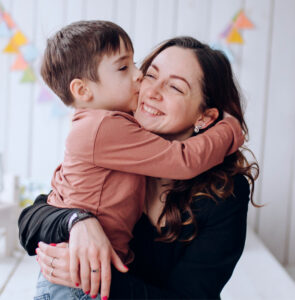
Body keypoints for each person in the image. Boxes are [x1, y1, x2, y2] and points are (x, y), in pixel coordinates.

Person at [19, 36, 258, 300]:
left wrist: (95, 277)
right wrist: (78, 222)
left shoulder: (226, 192)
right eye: (150, 76)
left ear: (205, 117)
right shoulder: (114, 140)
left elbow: (191, 296)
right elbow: (32, 219)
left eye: (175, 88)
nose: (152, 92)